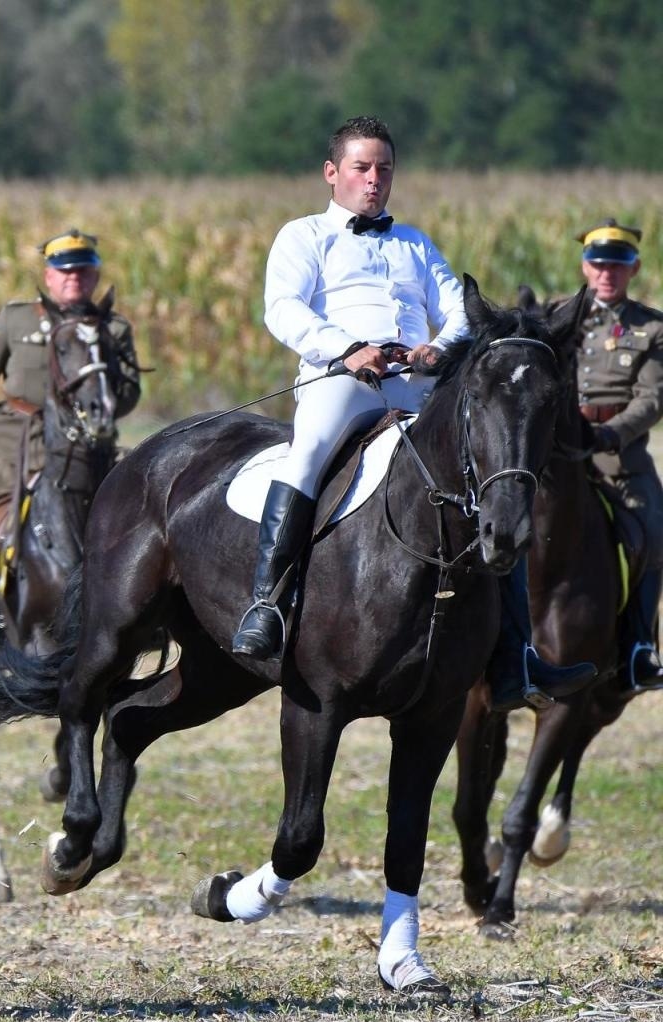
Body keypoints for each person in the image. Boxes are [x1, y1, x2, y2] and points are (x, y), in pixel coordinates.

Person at [236, 116, 595, 711]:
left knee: (488, 485)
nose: (374, 180)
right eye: (361, 167)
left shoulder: (415, 243)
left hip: (413, 386)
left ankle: (517, 655)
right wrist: (348, 349)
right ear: (333, 173)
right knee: (307, 456)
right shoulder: (303, 237)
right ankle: (267, 604)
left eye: (383, 170)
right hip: (341, 382)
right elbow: (282, 308)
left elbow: (458, 309)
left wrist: (437, 348)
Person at [0, 229, 138, 645]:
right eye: (64, 272)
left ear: (95, 277)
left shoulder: (113, 328)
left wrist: (104, 392)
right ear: (48, 276)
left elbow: (131, 391)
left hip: (87, 453)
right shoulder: (18, 319)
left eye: (83, 271)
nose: (74, 279)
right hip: (13, 446)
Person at [549, 220, 663, 693]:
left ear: (633, 268)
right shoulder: (558, 318)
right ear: (585, 266)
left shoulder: (651, 328)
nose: (606, 273)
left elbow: (652, 399)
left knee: (652, 536)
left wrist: (610, 435)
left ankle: (639, 646)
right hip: (557, 454)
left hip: (618, 461)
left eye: (617, 265)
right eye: (598, 264)